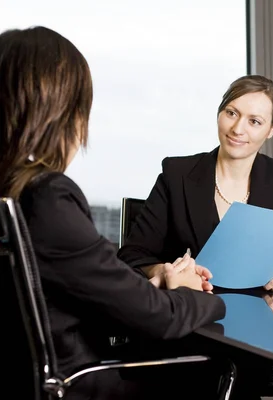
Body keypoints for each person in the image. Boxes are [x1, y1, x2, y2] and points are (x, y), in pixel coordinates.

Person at [0, 26, 225, 398]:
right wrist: (205, 298)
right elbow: (163, 319)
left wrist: (150, 286)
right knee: (220, 370)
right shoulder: (46, 198)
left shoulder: (12, 196)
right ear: (63, 115)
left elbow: (65, 292)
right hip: (80, 384)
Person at [117, 75, 273, 293]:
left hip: (257, 316)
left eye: (254, 121)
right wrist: (163, 271)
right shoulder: (176, 173)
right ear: (219, 113)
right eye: (231, 113)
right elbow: (133, 254)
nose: (238, 129)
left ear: (272, 128)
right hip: (188, 311)